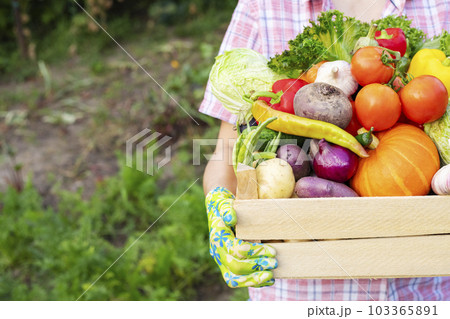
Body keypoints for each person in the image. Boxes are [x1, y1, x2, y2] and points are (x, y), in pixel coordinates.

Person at [201, 0, 450, 301]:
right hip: (299, 294)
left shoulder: (440, 7)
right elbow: (225, 156)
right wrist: (219, 213)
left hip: (427, 291)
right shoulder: (262, 6)